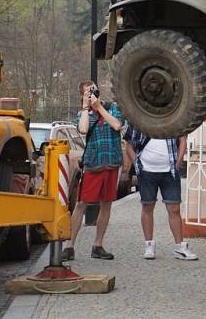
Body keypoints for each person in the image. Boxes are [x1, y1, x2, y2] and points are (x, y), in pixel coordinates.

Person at [62, 81, 123, 261]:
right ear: (82, 95)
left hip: (111, 162)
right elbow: (83, 129)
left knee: (107, 203)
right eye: (88, 91)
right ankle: (70, 246)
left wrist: (99, 107)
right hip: (93, 164)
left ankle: (98, 245)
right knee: (81, 204)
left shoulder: (112, 108)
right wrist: (86, 107)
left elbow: (117, 125)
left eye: (94, 89)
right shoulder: (84, 113)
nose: (93, 92)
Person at [123, 124, 198, 261]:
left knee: (174, 208)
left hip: (169, 171)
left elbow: (182, 139)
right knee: (147, 206)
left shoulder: (172, 118)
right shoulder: (139, 119)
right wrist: (138, 164)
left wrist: (179, 160)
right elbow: (129, 145)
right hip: (147, 171)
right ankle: (149, 245)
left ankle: (180, 247)